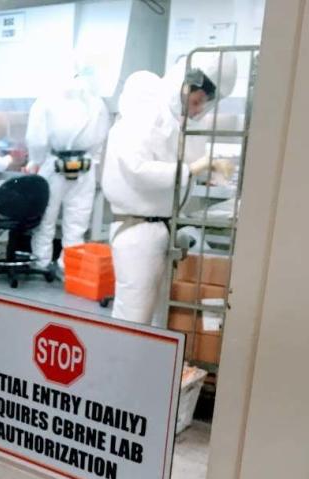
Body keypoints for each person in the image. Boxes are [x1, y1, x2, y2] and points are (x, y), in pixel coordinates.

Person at [101, 54, 236, 325]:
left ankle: (145, 366)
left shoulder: (170, 119)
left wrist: (198, 170)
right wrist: (191, 169)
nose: (197, 110)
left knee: (155, 316)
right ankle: (121, 366)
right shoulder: (145, 113)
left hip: (159, 229)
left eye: (203, 106)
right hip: (137, 230)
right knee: (134, 317)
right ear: (184, 86)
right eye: (196, 102)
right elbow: (137, 169)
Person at [26, 73, 110, 274]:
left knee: (46, 219)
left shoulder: (46, 100)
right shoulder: (97, 103)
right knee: (77, 223)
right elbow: (102, 135)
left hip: (54, 164)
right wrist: (94, 160)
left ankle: (41, 263)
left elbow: (37, 138)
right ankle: (70, 268)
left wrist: (35, 161)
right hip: (85, 166)